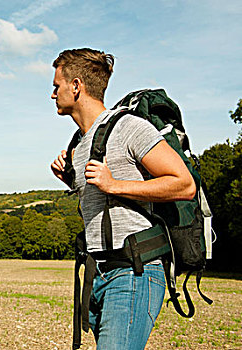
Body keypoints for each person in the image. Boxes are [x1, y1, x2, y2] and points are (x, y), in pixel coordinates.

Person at [49, 48, 196, 349]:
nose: (53, 94)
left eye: (57, 86)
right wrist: (70, 178)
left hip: (134, 271)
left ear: (76, 86)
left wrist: (115, 185)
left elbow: (183, 184)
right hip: (99, 273)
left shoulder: (130, 128)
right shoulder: (79, 144)